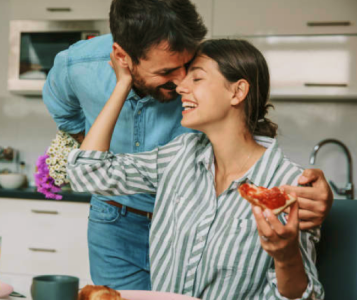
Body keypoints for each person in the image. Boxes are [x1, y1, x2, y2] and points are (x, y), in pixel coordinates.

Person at [43, 0, 332, 290]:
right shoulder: (178, 158)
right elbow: (86, 168)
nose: (181, 83)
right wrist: (123, 85)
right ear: (123, 57)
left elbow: (300, 293)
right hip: (117, 218)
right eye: (169, 71)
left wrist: (286, 256)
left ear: (238, 91)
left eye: (193, 72)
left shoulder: (283, 184)